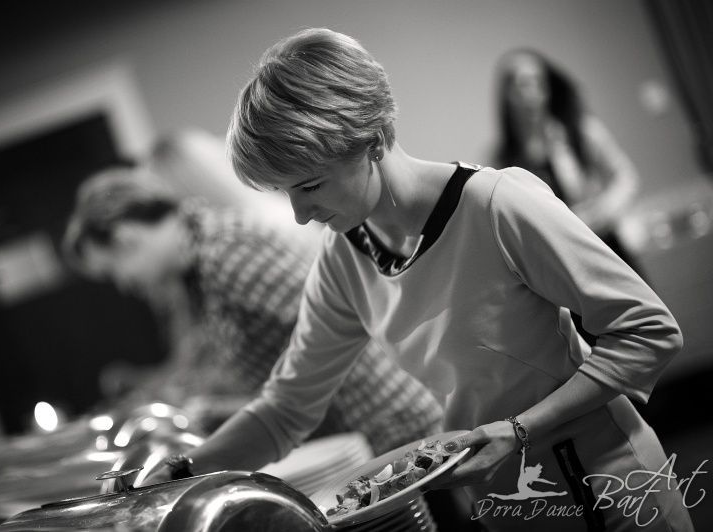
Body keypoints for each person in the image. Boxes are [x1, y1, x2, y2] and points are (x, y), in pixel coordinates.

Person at [154, 28, 694, 532]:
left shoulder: (496, 204)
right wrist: (179, 473)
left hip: (605, 488)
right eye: (285, 193)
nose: (298, 215)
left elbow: (648, 330)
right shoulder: (344, 259)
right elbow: (286, 408)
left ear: (373, 139)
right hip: (507, 502)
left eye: (311, 186)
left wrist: (520, 429)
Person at [61, 166, 444, 457]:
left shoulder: (226, 253)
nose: (124, 285)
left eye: (112, 272)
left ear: (125, 240)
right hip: (360, 438)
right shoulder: (199, 266)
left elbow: (336, 336)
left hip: (388, 431)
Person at [493, 48, 643, 277]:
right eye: (523, 84)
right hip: (559, 268)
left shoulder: (581, 132)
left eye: (539, 82)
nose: (532, 93)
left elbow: (626, 177)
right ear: (507, 96)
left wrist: (601, 213)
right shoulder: (502, 161)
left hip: (606, 248)